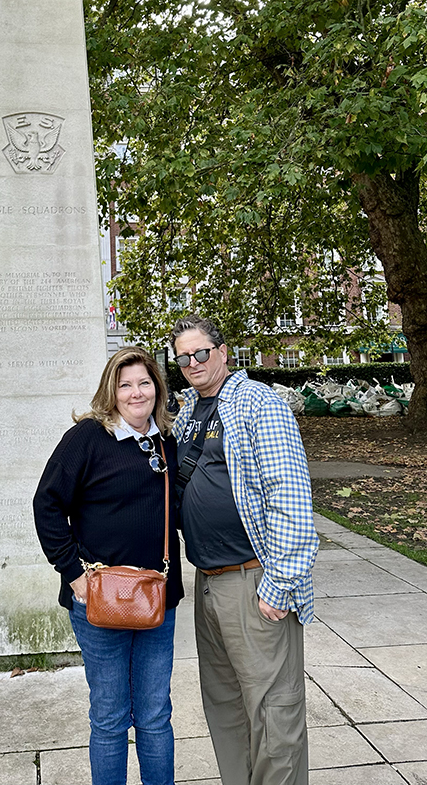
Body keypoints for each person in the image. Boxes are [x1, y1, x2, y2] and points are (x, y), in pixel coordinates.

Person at [169, 314, 319, 785]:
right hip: (208, 582)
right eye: (183, 357)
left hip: (254, 580)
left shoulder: (257, 403)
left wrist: (278, 585)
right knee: (226, 706)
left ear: (223, 351)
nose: (192, 362)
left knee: (274, 713)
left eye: (200, 353)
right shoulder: (188, 411)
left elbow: (290, 495)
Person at [33, 347, 184, 785]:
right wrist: (73, 572)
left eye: (144, 382)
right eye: (125, 384)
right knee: (110, 716)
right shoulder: (86, 438)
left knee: (156, 714)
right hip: (98, 599)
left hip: (158, 597)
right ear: (111, 391)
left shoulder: (166, 440)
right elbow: (47, 504)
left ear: (157, 387)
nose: (136, 392)